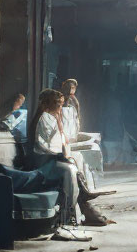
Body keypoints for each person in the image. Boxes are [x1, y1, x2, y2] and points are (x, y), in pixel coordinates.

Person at [30, 88, 112, 226]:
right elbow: (43, 145)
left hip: (53, 157)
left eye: (61, 104)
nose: (60, 107)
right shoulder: (43, 118)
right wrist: (60, 155)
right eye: (58, 103)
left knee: (77, 158)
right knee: (70, 170)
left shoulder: (52, 117)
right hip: (44, 161)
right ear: (48, 103)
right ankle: (70, 211)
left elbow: (60, 139)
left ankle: (81, 199)